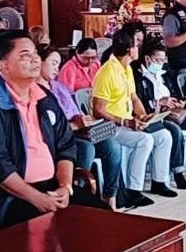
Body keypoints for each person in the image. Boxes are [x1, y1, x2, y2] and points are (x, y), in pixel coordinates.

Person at [0, 31, 109, 230]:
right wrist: (37, 198)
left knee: (102, 216)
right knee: (49, 228)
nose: (35, 59)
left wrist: (65, 187)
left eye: (35, 53)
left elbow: (65, 145)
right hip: (12, 195)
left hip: (52, 186)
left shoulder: (45, 98)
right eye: (25, 55)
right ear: (4, 65)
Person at [91, 35, 175, 206]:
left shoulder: (127, 68)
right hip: (104, 127)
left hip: (126, 122)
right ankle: (133, 189)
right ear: (130, 50)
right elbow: (98, 110)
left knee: (164, 136)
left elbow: (134, 98)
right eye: (136, 45)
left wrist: (143, 116)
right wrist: (125, 122)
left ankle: (159, 181)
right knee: (145, 139)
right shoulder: (107, 72)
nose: (138, 48)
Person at [39, 46, 124, 207]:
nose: (57, 68)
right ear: (39, 62)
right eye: (53, 63)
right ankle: (78, 190)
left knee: (112, 141)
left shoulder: (58, 87)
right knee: (87, 148)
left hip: (81, 130)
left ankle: (111, 195)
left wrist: (82, 120)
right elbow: (51, 127)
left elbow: (74, 110)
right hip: (66, 135)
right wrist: (74, 124)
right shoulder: (37, 91)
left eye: (58, 64)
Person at [134, 40, 186, 187]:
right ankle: (178, 172)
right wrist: (159, 102)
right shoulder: (138, 77)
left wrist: (178, 101)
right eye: (157, 60)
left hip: (172, 112)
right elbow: (139, 103)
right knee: (176, 132)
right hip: (155, 115)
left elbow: (175, 93)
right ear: (147, 58)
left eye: (162, 60)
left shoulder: (164, 74)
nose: (160, 63)